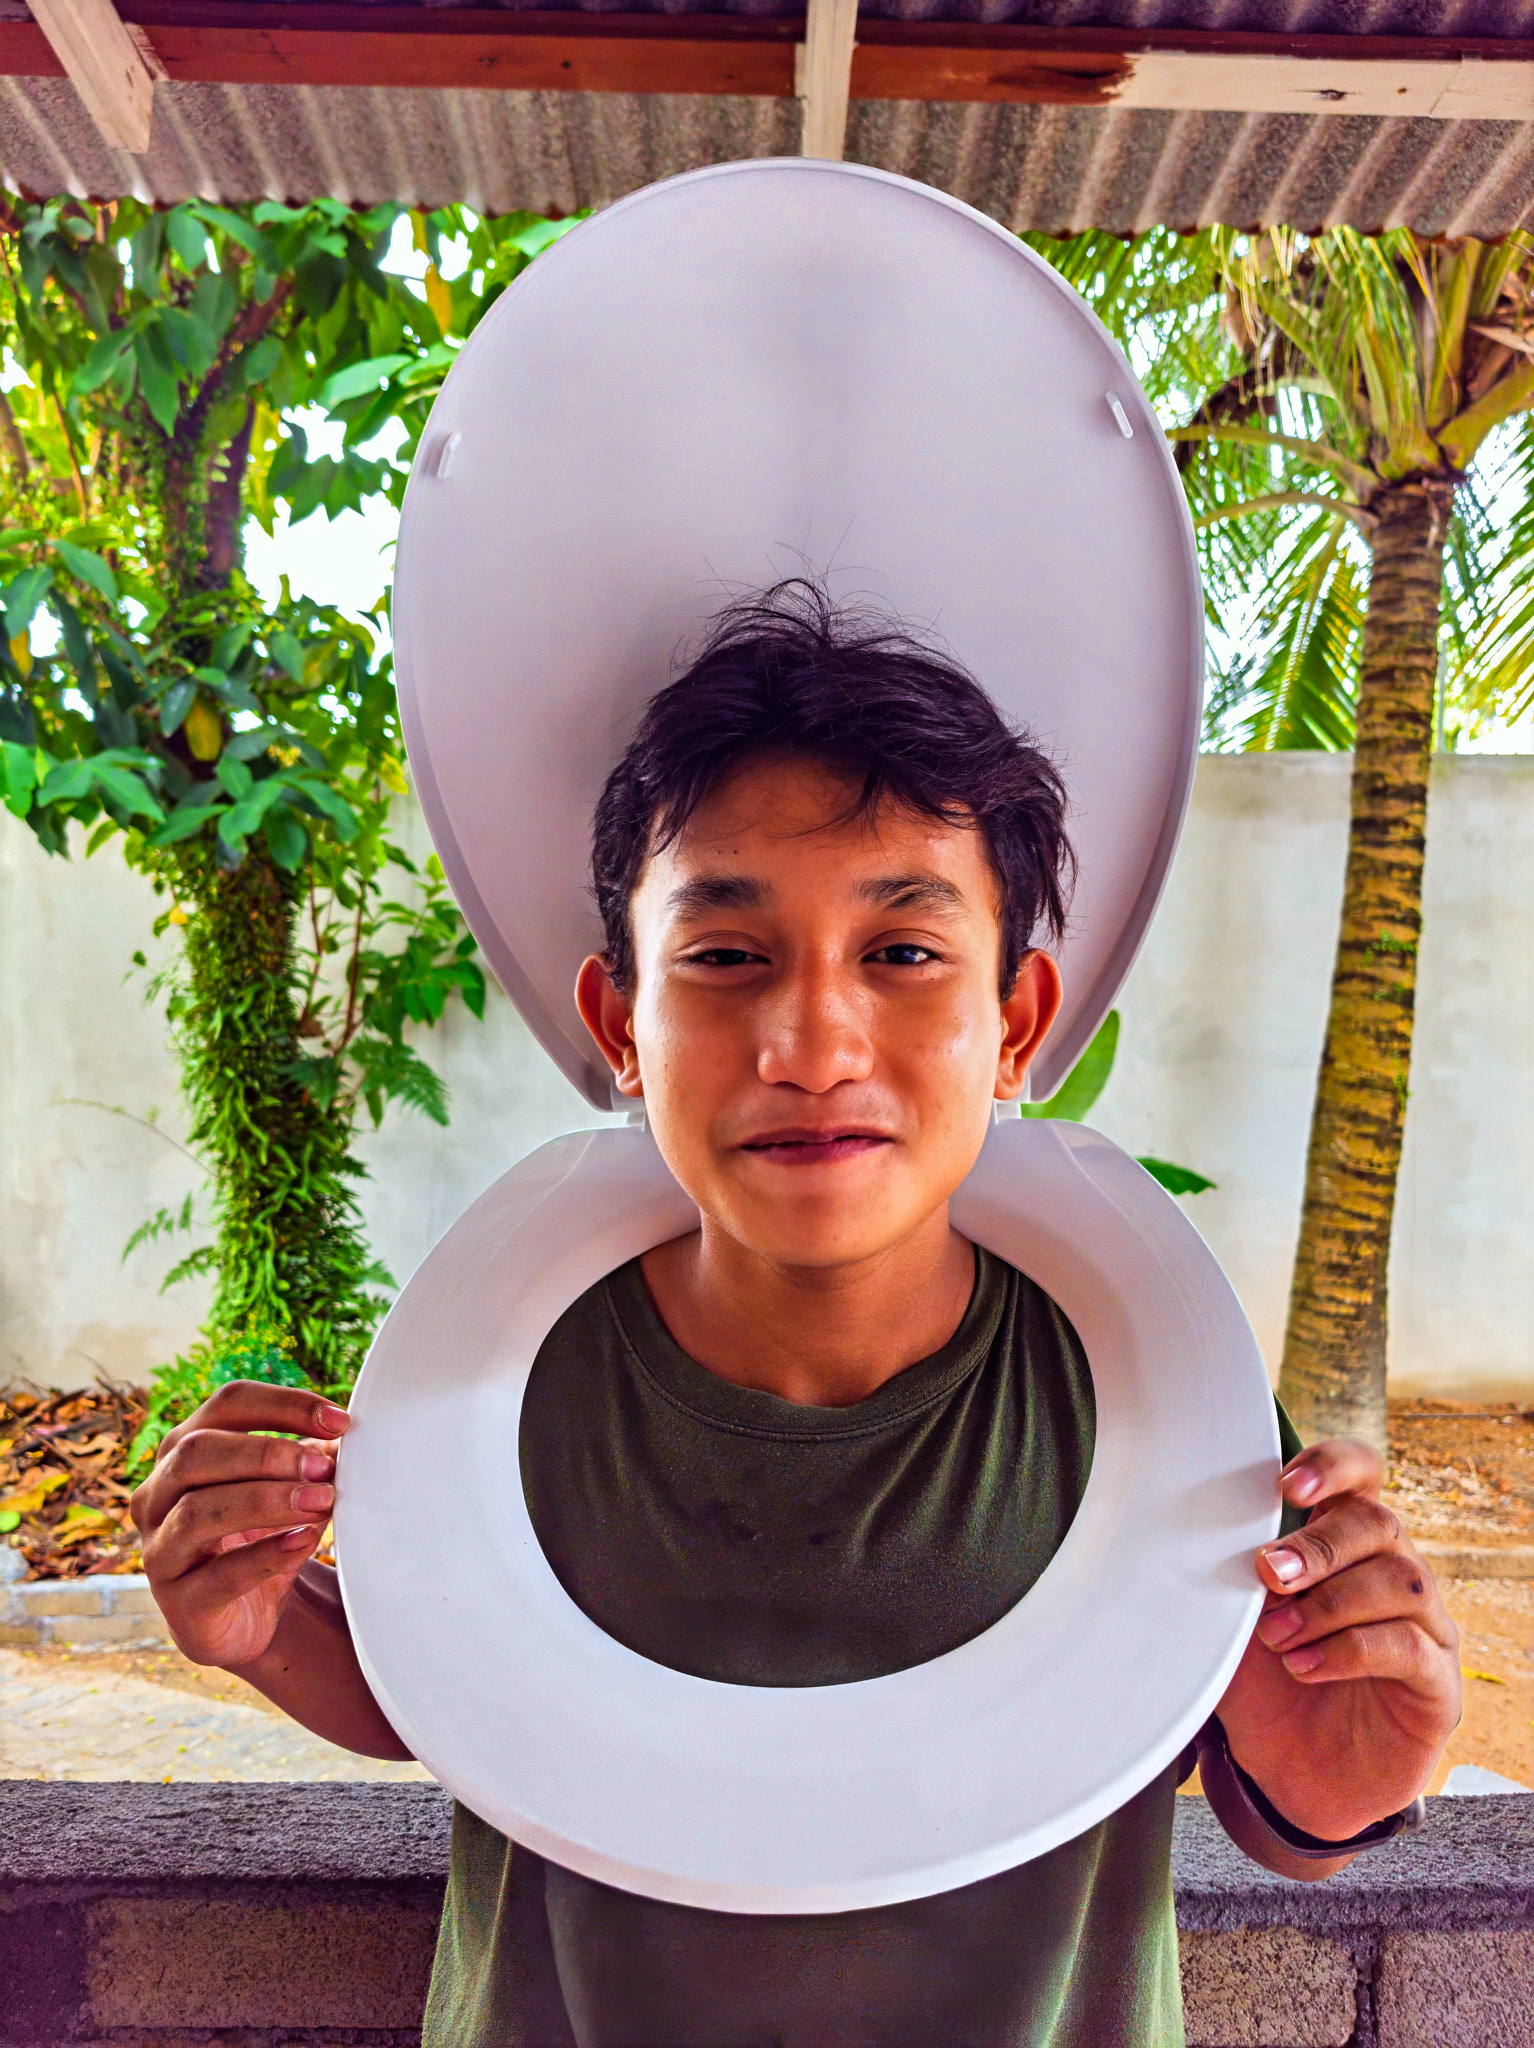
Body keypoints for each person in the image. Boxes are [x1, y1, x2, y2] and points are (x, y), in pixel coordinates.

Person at [133, 585, 1461, 2048]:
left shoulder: (1150, 1390)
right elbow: (470, 1698)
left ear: (1015, 1022)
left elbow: (1239, 1765)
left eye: (901, 953)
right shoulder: (499, 1372)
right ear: (616, 1024)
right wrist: (266, 1626)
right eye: (721, 956)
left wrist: (1341, 1784)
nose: (812, 1045)